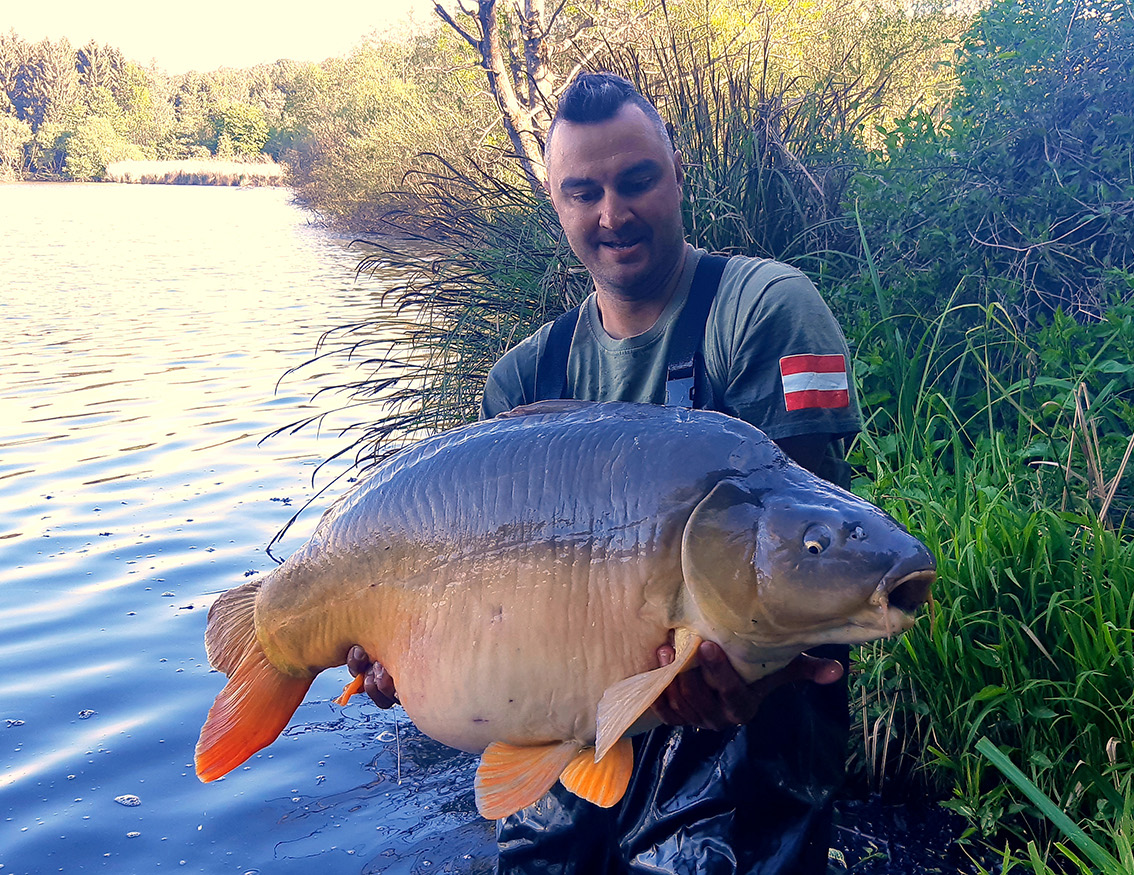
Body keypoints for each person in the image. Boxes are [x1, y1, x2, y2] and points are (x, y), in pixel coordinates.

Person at [345, 72, 864, 874]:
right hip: (564, 744)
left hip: (744, 759)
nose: (612, 215)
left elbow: (811, 565)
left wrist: (746, 683)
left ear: (678, 173)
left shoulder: (764, 309)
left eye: (636, 181)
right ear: (555, 200)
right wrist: (406, 651)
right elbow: (486, 601)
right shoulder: (523, 378)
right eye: (582, 192)